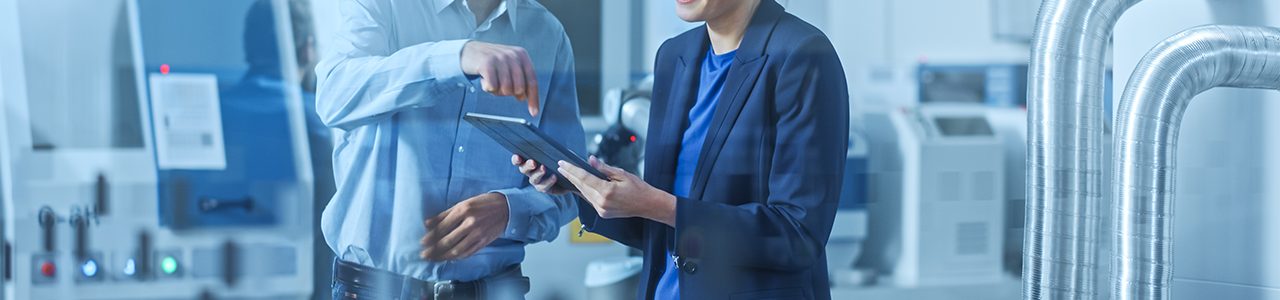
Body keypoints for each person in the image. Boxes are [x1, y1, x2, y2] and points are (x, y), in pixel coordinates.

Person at [514, 0, 848, 299]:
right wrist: (581, 188)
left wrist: (657, 204)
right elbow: (661, 226)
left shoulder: (802, 56)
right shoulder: (675, 57)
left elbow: (796, 237)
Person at [315, 0, 583, 299]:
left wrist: (509, 211)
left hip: (494, 290)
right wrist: (453, 58)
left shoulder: (548, 34)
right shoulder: (384, 5)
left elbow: (573, 188)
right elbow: (334, 97)